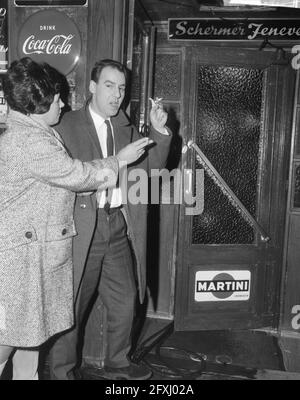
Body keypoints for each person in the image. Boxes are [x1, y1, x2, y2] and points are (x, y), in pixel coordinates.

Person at [0, 57, 151, 380]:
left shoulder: (31, 130)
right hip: (21, 258)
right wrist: (118, 161)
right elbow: (77, 175)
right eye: (57, 99)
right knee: (9, 341)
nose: (63, 104)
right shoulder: (30, 140)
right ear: (38, 103)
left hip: (35, 251)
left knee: (30, 340)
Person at [49, 59, 172, 380]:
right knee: (71, 307)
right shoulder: (65, 125)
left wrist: (159, 131)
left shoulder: (124, 127)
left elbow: (150, 174)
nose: (117, 95)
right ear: (92, 87)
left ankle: (118, 361)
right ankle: (61, 372)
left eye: (121, 88)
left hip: (117, 226)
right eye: (109, 86)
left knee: (125, 300)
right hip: (79, 230)